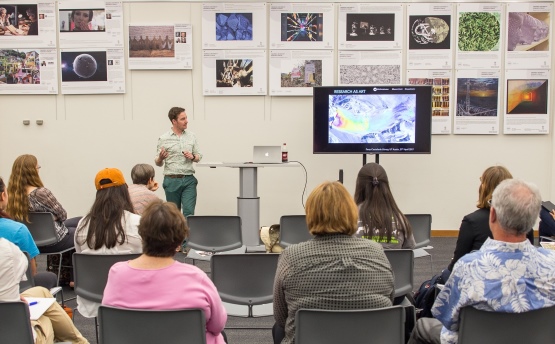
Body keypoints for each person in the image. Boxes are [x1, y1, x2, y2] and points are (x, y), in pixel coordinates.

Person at [408, 179, 555, 344]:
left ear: (492, 215)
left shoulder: (468, 266)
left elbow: (446, 318)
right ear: (533, 220)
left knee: (423, 326)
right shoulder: (552, 264)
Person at [272, 181, 395, 344]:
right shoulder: (377, 252)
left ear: (310, 214)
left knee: (279, 329)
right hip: (367, 338)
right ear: (352, 212)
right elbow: (389, 301)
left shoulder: (291, 256)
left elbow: (281, 316)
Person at [102, 200, 227, 344]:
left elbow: (110, 322)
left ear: (142, 235)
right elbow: (217, 325)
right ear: (179, 241)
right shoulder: (196, 277)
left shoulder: (117, 273)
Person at [74, 168, 142, 318]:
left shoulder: (82, 225)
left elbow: (81, 259)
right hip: (134, 297)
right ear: (124, 190)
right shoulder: (138, 223)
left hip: (92, 298)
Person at [7, 154, 80, 286]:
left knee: (79, 220)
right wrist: (53, 217)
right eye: (37, 167)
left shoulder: (12, 195)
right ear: (32, 171)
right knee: (81, 231)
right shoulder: (41, 193)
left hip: (30, 242)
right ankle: (75, 279)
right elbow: (63, 214)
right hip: (53, 241)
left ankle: (64, 275)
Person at [0, 237, 89, 344]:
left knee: (40, 291)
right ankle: (80, 342)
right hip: (16, 335)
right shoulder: (8, 249)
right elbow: (30, 273)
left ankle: (79, 341)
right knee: (46, 319)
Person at [447, 166, 534, 272]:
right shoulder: (523, 220)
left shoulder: (471, 221)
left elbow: (456, 266)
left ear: (484, 188)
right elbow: (529, 259)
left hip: (479, 281)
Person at [0, 176, 57, 289]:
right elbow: (32, 273)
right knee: (50, 277)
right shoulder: (18, 230)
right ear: (2, 196)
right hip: (16, 291)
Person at [354, 162, 415, 249]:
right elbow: (409, 250)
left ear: (359, 185)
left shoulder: (350, 218)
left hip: (360, 262)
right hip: (394, 263)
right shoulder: (400, 218)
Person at [155, 106, 202, 218]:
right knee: (173, 215)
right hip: (171, 180)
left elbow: (199, 156)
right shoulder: (164, 138)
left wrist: (192, 156)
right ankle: (175, 236)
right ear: (174, 121)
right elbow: (158, 162)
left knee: (189, 213)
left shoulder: (191, 136)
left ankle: (188, 236)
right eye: (183, 119)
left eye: (186, 118)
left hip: (189, 180)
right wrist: (161, 158)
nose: (186, 121)